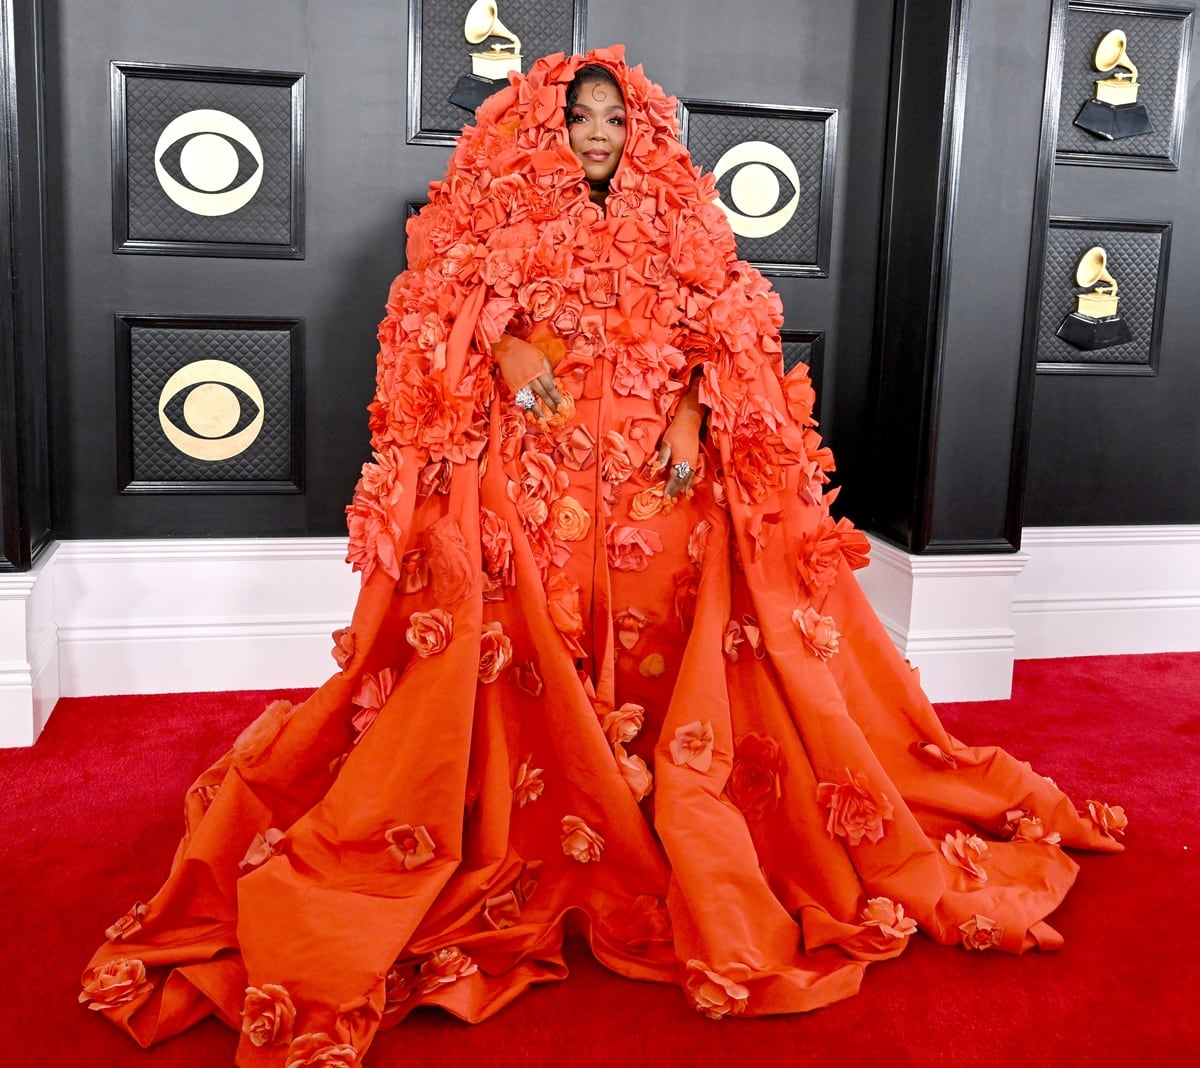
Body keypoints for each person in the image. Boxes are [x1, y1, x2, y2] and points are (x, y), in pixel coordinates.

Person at [80, 45, 1126, 1067]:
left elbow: (732, 334)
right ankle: (563, 803)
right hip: (532, 471)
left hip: (654, 480)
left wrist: (687, 424)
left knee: (682, 625)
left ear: (643, 130)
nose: (596, 134)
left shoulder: (683, 214)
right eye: (578, 118)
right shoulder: (491, 205)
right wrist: (506, 341)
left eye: (615, 119)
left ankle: (653, 794)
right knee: (520, 633)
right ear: (545, 125)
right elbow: (435, 312)